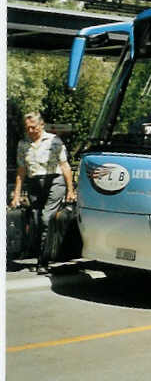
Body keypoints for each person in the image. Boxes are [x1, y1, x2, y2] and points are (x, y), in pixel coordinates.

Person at [11, 112, 77, 275]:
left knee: (46, 218)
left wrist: (70, 190)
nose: (30, 130)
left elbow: (65, 166)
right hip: (34, 183)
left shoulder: (54, 141)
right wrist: (17, 194)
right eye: (27, 128)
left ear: (41, 125)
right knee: (36, 221)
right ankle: (41, 254)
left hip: (54, 181)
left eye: (33, 127)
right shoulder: (23, 144)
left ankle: (43, 261)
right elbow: (21, 170)